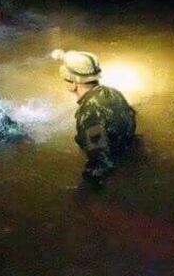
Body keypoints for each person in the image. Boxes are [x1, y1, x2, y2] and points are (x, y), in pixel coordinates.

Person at [54, 50, 137, 183]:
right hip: (130, 149)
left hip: (119, 164)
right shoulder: (112, 92)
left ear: (74, 83)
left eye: (65, 79)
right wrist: (63, 56)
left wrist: (88, 192)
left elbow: (100, 160)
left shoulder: (89, 114)